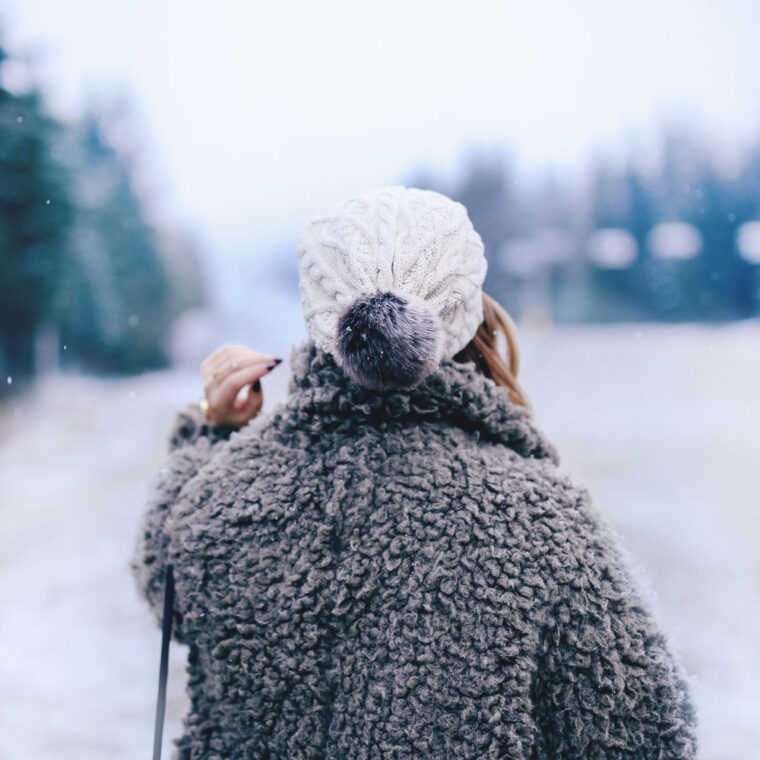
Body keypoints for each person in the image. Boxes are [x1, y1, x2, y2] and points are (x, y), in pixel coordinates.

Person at [131, 186, 699, 759]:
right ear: (470, 314)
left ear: (323, 318)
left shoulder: (216, 503)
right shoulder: (543, 521)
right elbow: (648, 738)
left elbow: (163, 578)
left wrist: (211, 431)